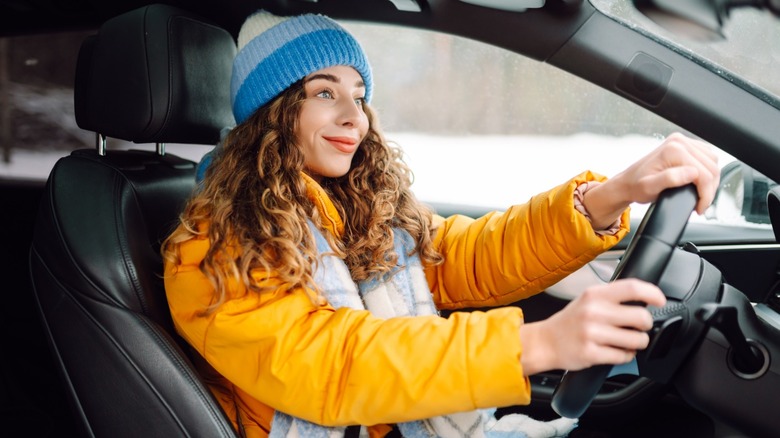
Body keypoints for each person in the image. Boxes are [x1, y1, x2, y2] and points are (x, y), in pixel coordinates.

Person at [162, 10, 719, 438]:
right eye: (324, 93)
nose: (354, 116)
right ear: (273, 112)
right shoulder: (219, 239)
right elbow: (335, 362)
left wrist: (610, 194)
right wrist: (534, 345)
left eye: (359, 96)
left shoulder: (353, 207)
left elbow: (462, 255)